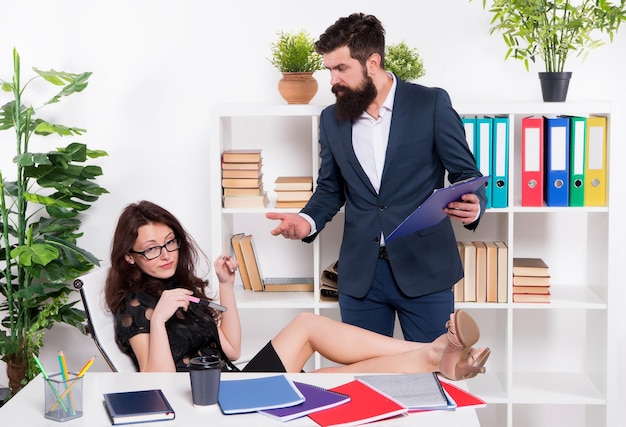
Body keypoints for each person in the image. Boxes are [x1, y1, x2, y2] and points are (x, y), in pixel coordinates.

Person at [266, 13, 487, 343]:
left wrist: (474, 205)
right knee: (364, 381)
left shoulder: (430, 103)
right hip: (361, 277)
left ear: (372, 62)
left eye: (341, 69)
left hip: (425, 271)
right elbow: (330, 188)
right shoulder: (331, 119)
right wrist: (306, 221)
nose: (332, 81)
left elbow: (466, 173)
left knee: (435, 376)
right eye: (329, 70)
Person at [104, 200, 490, 379]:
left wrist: (227, 287)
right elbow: (160, 386)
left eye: (170, 242)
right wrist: (159, 322)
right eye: (151, 249)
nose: (165, 254)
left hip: (233, 383)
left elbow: (231, 350)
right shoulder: (135, 307)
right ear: (130, 258)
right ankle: (435, 353)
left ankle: (435, 354)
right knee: (326, 377)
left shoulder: (180, 288)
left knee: (312, 333)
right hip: (205, 402)